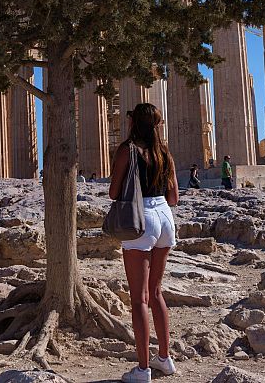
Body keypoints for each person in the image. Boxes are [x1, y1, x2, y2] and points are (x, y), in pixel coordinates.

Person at [109, 103, 179, 383]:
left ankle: (142, 369)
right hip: (165, 216)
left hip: (141, 218)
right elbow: (174, 197)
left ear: (133, 122)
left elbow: (114, 191)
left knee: (139, 298)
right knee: (157, 292)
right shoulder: (165, 152)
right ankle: (165, 359)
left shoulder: (128, 149)